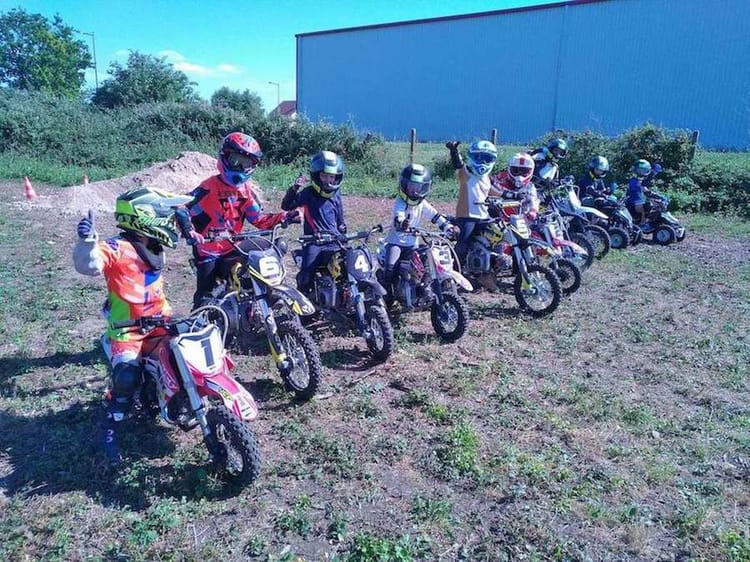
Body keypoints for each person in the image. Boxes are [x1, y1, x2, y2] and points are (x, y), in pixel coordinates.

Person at [73, 187, 191, 465]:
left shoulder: (152, 246)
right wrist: (87, 241)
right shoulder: (117, 247)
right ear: (145, 218)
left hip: (160, 319)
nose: (171, 220)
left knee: (187, 353)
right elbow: (90, 265)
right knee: (127, 376)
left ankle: (180, 398)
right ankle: (111, 423)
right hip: (127, 329)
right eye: (166, 215)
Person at [177, 132, 299, 308]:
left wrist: (285, 216)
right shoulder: (208, 186)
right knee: (205, 296)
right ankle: (199, 324)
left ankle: (265, 301)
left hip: (234, 246)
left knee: (265, 255)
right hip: (208, 250)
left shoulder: (245, 191)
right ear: (225, 156)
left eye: (246, 163)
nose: (241, 167)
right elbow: (181, 207)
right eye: (236, 160)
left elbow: (259, 219)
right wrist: (189, 230)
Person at [382, 163, 459, 299]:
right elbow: (398, 216)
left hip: (413, 244)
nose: (414, 190)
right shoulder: (400, 202)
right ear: (404, 185)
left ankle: (423, 289)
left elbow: (435, 216)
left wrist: (448, 227)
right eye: (411, 186)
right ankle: (387, 295)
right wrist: (402, 223)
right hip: (396, 243)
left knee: (427, 264)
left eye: (418, 187)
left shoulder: (422, 203)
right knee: (390, 267)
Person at [281, 150, 348, 294]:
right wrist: (294, 189)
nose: (328, 181)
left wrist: (343, 230)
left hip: (334, 241)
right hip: (314, 242)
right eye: (324, 176)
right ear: (316, 176)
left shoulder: (336, 195)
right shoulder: (308, 193)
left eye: (332, 177)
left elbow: (340, 219)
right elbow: (286, 206)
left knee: (348, 265)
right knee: (306, 274)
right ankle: (304, 308)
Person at [446, 139, 498, 291]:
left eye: (487, 158)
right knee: (462, 246)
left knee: (496, 240)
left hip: (484, 216)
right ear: (471, 157)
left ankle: (485, 274)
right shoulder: (466, 174)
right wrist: (454, 151)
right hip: (467, 216)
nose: (482, 162)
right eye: (478, 157)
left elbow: (492, 191)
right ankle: (452, 276)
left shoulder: (486, 178)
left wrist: (510, 194)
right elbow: (458, 164)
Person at [490, 152, 540, 221]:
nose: (519, 175)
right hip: (499, 220)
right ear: (509, 169)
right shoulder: (499, 180)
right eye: (515, 171)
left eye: (524, 171)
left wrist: (533, 211)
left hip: (522, 220)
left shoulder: (530, 186)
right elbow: (489, 190)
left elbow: (534, 200)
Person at [625, 158, 653, 228]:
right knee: (642, 209)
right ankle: (642, 224)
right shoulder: (633, 180)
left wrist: (649, 192)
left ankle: (646, 221)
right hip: (633, 200)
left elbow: (644, 188)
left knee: (649, 206)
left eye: (643, 170)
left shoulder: (642, 180)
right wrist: (642, 188)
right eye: (640, 170)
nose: (641, 172)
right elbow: (636, 187)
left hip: (639, 199)